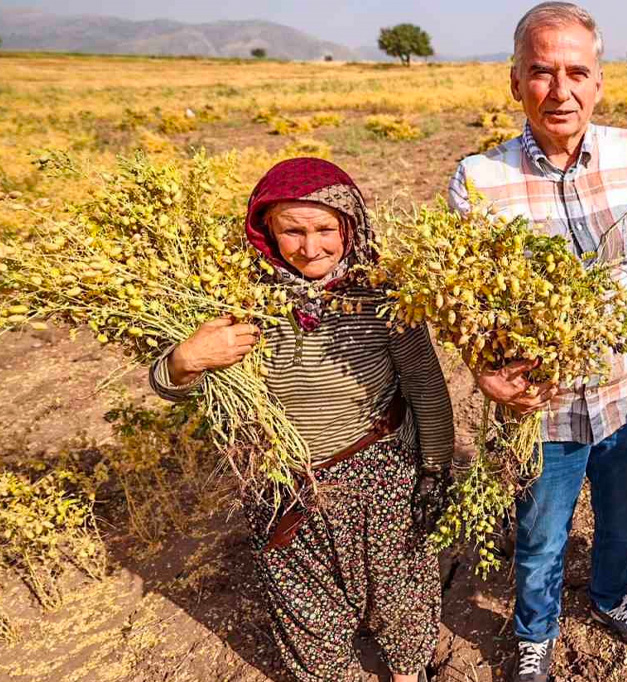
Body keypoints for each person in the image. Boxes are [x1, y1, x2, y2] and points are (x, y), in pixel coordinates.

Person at [149, 158, 454, 682]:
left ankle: (408, 671)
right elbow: (167, 384)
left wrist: (435, 468)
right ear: (266, 230)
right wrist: (186, 359)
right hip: (282, 483)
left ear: (349, 226)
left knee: (402, 585)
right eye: (293, 230)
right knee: (304, 604)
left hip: (380, 474)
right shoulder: (234, 300)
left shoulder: (383, 292)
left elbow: (425, 385)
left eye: (324, 229)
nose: (310, 248)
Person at [447, 3, 627, 681]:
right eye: (542, 72)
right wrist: (483, 372)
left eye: (577, 71)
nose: (561, 89)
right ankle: (534, 632)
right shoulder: (479, 179)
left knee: (619, 519)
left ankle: (611, 597)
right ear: (514, 80)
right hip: (540, 406)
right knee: (542, 533)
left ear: (599, 81)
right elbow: (467, 298)